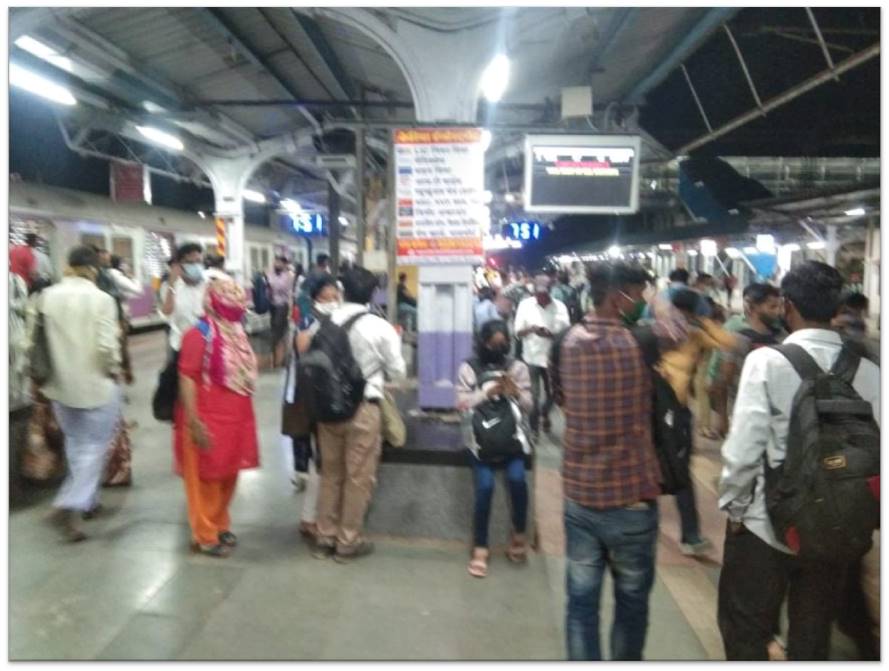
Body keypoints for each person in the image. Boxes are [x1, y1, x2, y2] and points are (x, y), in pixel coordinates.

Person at [717, 261, 880, 661]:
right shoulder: (871, 370)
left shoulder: (767, 361)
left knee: (746, 627)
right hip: (837, 525)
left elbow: (743, 450)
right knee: (813, 633)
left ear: (787, 305)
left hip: (766, 524)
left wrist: (736, 510)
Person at [551, 261, 688, 661]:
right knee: (631, 608)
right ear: (618, 297)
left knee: (580, 605)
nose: (641, 302)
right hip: (631, 500)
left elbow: (562, 401)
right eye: (637, 294)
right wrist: (660, 299)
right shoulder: (641, 342)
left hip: (579, 497)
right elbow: (680, 329)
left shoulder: (565, 342)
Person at [312, 267, 406, 563]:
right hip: (363, 409)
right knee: (357, 478)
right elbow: (398, 373)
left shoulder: (326, 322)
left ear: (343, 290)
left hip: (327, 409)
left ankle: (324, 538)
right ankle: (347, 542)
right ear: (372, 293)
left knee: (330, 475)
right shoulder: (379, 327)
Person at [38, 246, 122, 542]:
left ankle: (81, 505)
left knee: (76, 443)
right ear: (94, 269)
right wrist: (113, 369)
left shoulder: (47, 296)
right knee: (95, 447)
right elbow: (106, 346)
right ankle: (68, 504)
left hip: (60, 385)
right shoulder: (102, 299)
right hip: (95, 384)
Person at [174, 277, 260, 558]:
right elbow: (186, 377)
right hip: (205, 416)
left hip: (235, 418)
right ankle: (204, 533)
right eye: (230, 304)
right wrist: (194, 421)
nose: (236, 309)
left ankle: (220, 523)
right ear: (213, 303)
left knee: (227, 473)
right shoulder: (198, 334)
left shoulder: (236, 333)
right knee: (204, 478)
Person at [656, 288, 739, 556]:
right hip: (652, 407)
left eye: (685, 312)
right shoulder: (657, 331)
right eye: (676, 311)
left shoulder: (697, 335)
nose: (679, 317)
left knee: (680, 471)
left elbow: (728, 342)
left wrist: (703, 322)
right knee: (649, 466)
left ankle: (690, 535)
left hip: (677, 410)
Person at [456, 319, 533, 578]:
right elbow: (462, 404)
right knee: (485, 486)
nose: (497, 348)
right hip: (480, 440)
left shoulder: (517, 367)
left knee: (517, 480)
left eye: (502, 344)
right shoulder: (469, 367)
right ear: (482, 343)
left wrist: (516, 393)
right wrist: (485, 393)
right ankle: (480, 545)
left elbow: (530, 406)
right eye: (492, 344)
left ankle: (519, 534)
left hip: (511, 438)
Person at [284, 273, 341, 537]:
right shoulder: (308, 320)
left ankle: (316, 515)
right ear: (315, 298)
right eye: (325, 297)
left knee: (323, 460)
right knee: (321, 459)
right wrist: (322, 326)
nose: (331, 301)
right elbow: (302, 347)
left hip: (330, 393)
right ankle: (310, 518)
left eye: (335, 296)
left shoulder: (340, 317)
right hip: (311, 395)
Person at [708, 283, 785, 437]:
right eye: (772, 307)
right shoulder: (738, 339)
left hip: (777, 414)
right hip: (744, 413)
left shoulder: (784, 338)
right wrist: (721, 416)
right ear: (753, 307)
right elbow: (723, 381)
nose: (778, 312)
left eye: (779, 306)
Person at [513, 274, 570, 438]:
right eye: (539, 294)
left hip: (552, 359)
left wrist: (551, 335)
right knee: (534, 396)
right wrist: (532, 329)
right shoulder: (525, 306)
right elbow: (517, 332)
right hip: (531, 357)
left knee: (553, 394)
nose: (542, 297)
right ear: (534, 292)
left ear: (551, 291)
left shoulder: (560, 307)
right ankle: (533, 429)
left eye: (545, 294)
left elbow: (566, 333)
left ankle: (544, 414)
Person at [160, 243, 207, 360]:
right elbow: (166, 312)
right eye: (190, 263)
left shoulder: (207, 284)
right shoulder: (170, 286)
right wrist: (171, 284)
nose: (196, 265)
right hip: (181, 344)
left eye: (198, 261)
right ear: (180, 265)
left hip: (207, 343)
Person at [268, 255, 295, 368]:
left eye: (279, 263)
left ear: (284, 265)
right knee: (276, 331)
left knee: (279, 332)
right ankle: (277, 358)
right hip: (272, 305)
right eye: (275, 262)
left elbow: (280, 287)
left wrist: (270, 281)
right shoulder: (272, 273)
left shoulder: (288, 275)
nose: (276, 265)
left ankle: (281, 359)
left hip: (283, 306)